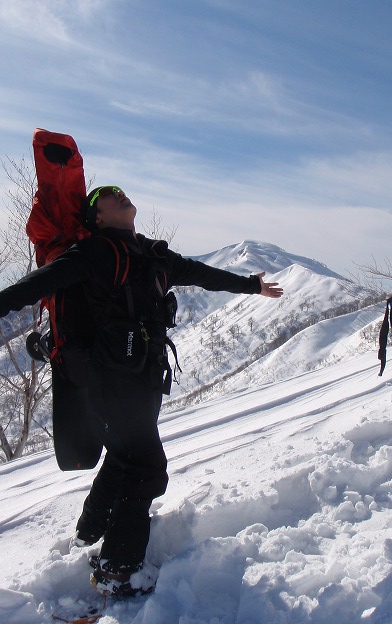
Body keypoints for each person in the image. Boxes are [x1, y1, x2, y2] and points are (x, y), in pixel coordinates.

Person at [0, 185, 283, 595]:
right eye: (107, 195)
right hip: (108, 381)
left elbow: (202, 275)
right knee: (147, 465)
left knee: (124, 456)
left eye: (120, 190)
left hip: (143, 378)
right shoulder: (94, 252)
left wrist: (250, 286)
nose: (119, 194)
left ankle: (88, 533)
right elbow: (32, 286)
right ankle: (118, 570)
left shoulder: (153, 255)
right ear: (96, 218)